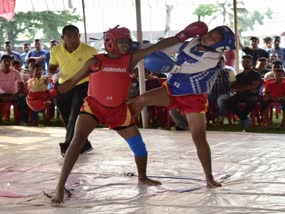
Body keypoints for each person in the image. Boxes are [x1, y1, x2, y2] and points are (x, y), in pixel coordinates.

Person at [50, 22, 208, 204]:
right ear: (110, 42)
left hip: (118, 110)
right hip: (93, 107)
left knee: (139, 147)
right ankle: (60, 187)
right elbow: (72, 81)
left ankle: (142, 177)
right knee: (77, 140)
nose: (126, 45)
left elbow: (157, 47)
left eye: (127, 41)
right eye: (122, 42)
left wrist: (183, 35)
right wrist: (52, 91)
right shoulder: (96, 60)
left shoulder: (130, 59)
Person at [130, 25, 236, 188]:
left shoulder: (214, 59)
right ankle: (121, 124)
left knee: (199, 137)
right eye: (210, 34)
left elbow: (188, 68)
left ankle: (209, 177)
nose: (209, 37)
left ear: (220, 46)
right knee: (141, 99)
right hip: (172, 89)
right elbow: (166, 47)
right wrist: (140, 46)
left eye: (215, 38)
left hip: (194, 97)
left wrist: (168, 66)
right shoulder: (192, 42)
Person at [48, 25, 98, 157]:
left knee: (75, 114)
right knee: (66, 116)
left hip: (83, 84)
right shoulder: (55, 50)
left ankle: (68, 146)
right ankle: (84, 144)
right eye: (69, 36)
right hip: (63, 85)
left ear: (79, 36)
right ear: (62, 37)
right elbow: (52, 67)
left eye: (75, 35)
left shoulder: (90, 50)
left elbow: (97, 69)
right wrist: (53, 74)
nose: (73, 39)